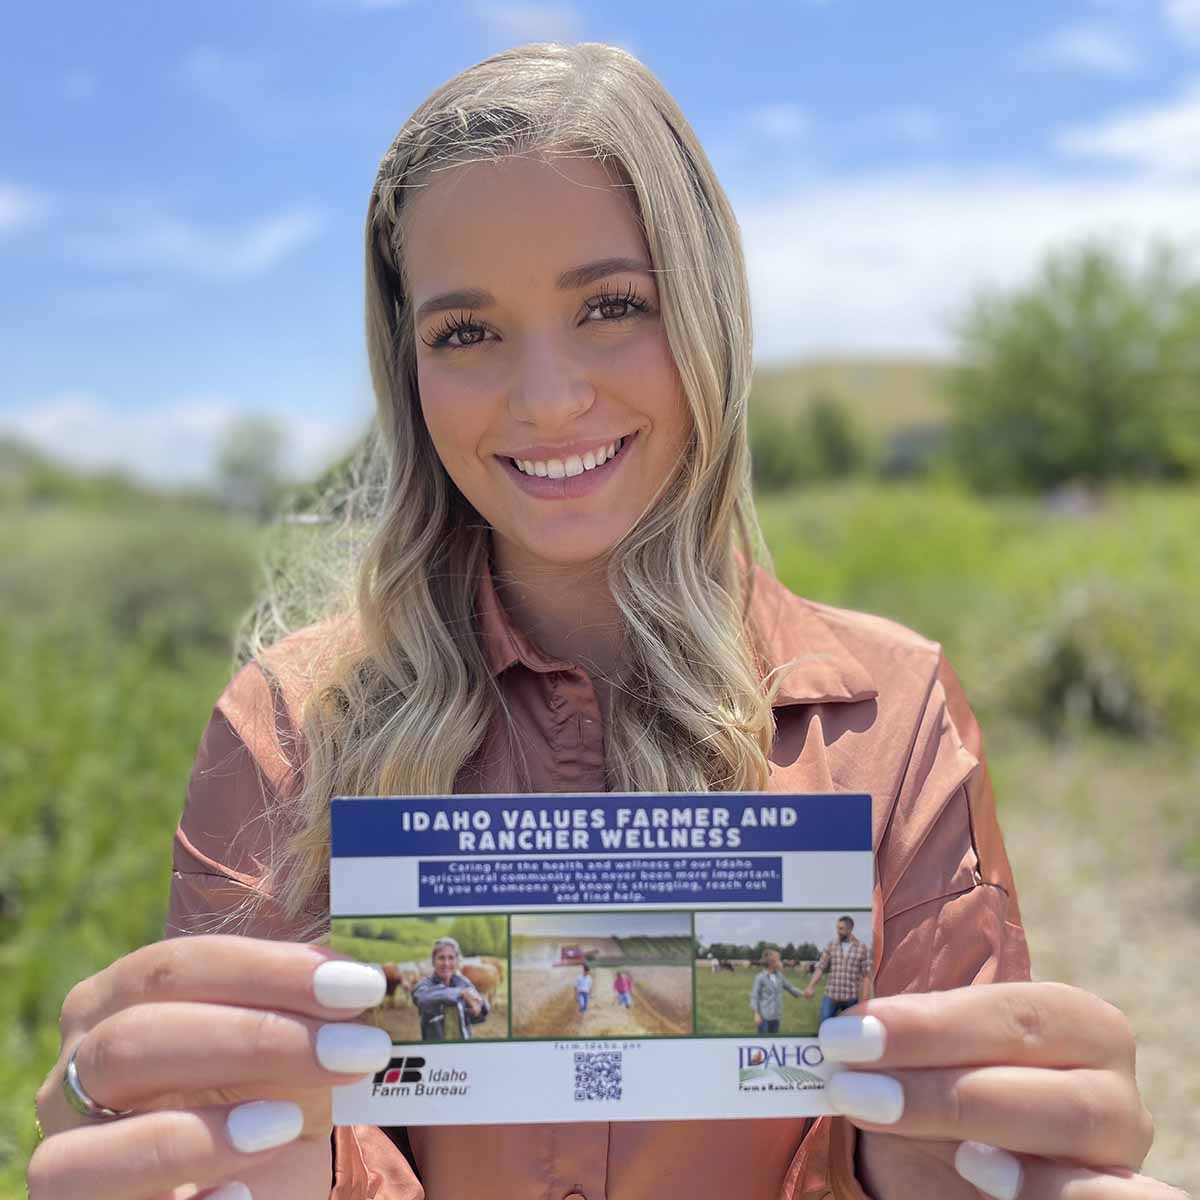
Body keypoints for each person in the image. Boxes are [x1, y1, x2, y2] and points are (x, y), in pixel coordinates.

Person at [29, 40, 1181, 1200]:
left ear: (708, 314)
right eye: (466, 332)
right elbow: (258, 1143)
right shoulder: (287, 723)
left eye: (613, 306)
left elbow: (937, 1146)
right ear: (407, 363)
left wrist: (919, 1161)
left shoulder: (894, 711)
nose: (547, 398)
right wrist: (241, 1157)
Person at [410, 937, 487, 1041]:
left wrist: (478, 1008)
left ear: (457, 961)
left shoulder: (463, 982)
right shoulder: (425, 985)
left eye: (451, 958)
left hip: (463, 1047)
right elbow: (422, 998)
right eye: (441, 958)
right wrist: (460, 993)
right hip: (436, 1050)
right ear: (433, 961)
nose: (446, 963)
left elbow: (480, 1010)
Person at [803, 915, 871, 1024]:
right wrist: (811, 986)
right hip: (831, 996)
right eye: (837, 928)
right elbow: (821, 967)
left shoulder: (862, 947)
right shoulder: (831, 945)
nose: (838, 931)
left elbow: (866, 975)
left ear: (850, 929)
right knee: (824, 1027)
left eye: (841, 929)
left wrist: (865, 1000)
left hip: (851, 998)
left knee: (851, 1031)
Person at [751, 948, 802, 1034]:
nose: (781, 962)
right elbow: (754, 996)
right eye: (779, 960)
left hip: (776, 1017)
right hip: (764, 1017)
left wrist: (804, 993)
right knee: (764, 1043)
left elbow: (790, 987)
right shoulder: (760, 977)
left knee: (774, 1041)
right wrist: (756, 1014)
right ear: (771, 962)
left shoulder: (780, 976)